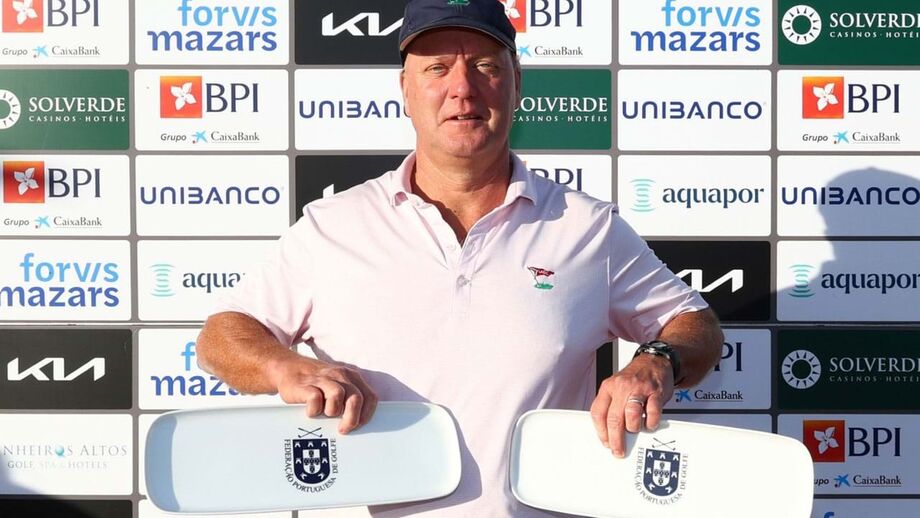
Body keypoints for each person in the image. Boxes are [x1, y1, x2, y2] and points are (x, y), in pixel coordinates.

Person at [197, 0, 723, 516]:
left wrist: (658, 360)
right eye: (437, 68)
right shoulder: (332, 226)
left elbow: (695, 325)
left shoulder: (586, 227)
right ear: (405, 89)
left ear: (516, 84)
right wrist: (285, 367)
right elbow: (222, 336)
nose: (463, 89)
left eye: (485, 67)